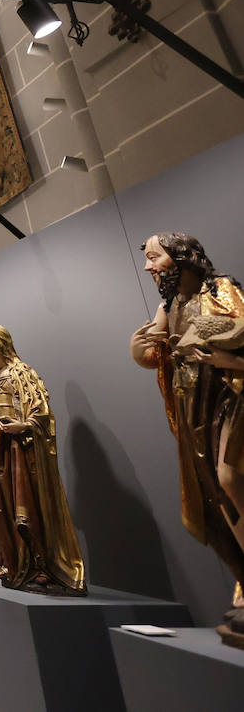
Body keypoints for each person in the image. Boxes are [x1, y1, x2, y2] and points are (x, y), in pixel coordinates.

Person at [131, 232, 244, 646]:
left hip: (226, 400)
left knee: (231, 482)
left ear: (181, 257)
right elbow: (150, 353)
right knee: (211, 499)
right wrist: (138, 345)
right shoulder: (170, 304)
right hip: (191, 408)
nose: (148, 267)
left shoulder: (220, 288)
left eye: (153, 257)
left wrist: (218, 348)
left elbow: (238, 329)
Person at [0, 325, 85, 595]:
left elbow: (42, 411)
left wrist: (24, 426)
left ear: (1, 342)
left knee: (27, 508)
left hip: (21, 448)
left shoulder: (20, 372)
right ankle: (12, 562)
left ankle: (39, 565)